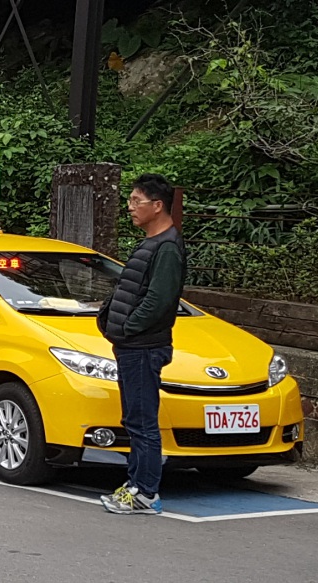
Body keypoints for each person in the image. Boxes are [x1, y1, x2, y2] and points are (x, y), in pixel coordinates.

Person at [97, 174, 186, 514]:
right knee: (134, 419)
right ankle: (134, 484)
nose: (130, 208)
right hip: (134, 345)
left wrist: (128, 329)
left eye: (137, 201)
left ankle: (145, 491)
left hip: (143, 347)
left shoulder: (166, 247)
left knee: (143, 421)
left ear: (158, 205)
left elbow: (158, 300)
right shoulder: (152, 242)